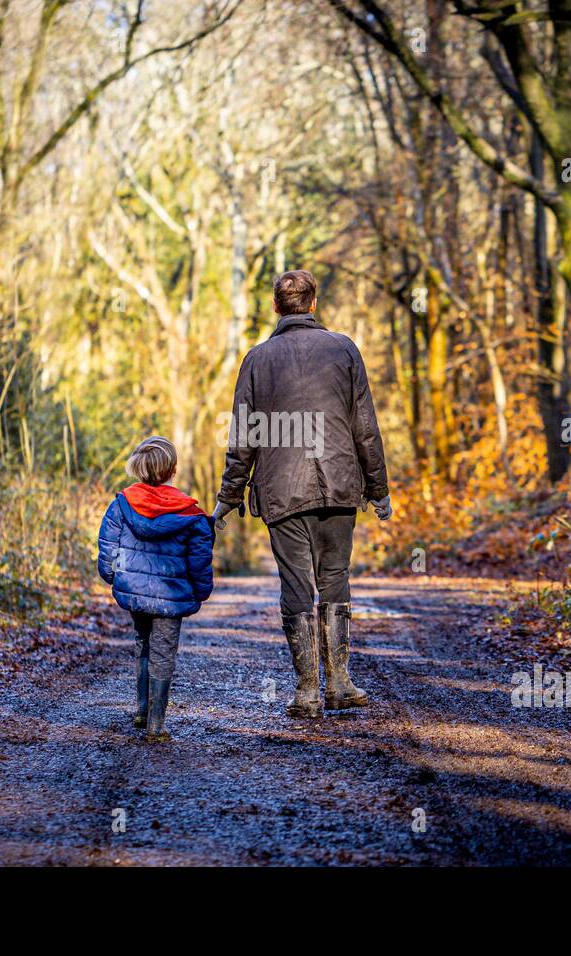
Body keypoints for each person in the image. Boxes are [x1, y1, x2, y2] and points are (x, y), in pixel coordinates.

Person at [212, 269, 391, 719]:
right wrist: (379, 489)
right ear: (314, 303)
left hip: (280, 491)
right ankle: (340, 683)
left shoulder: (257, 359)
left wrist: (228, 498)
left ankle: (308, 691)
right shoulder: (344, 349)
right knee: (335, 578)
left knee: (296, 585)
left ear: (276, 307)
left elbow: (243, 437)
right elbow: (364, 428)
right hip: (340, 485)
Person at [97, 436, 214, 742]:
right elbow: (199, 559)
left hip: (135, 592)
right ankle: (156, 724)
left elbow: (109, 546)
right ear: (173, 470)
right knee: (163, 652)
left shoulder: (122, 504)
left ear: (138, 467)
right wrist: (201, 590)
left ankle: (141, 709)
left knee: (143, 644)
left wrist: (111, 575)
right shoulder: (190, 513)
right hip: (171, 596)